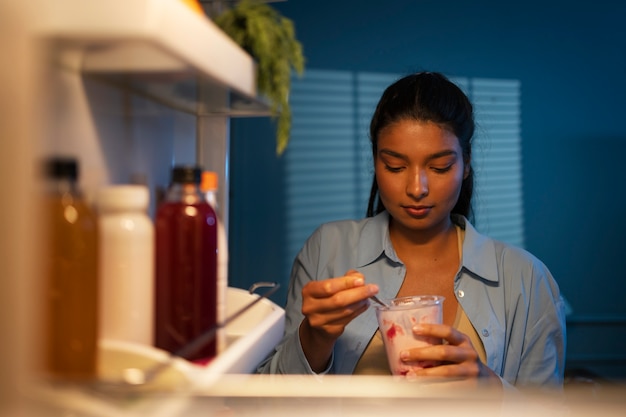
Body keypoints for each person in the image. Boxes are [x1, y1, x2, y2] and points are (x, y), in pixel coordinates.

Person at [257, 71, 566, 387]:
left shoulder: (526, 279)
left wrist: (490, 387)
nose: (417, 188)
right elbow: (270, 394)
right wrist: (314, 337)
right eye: (395, 166)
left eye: (440, 167)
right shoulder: (328, 249)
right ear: (376, 162)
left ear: (467, 163)